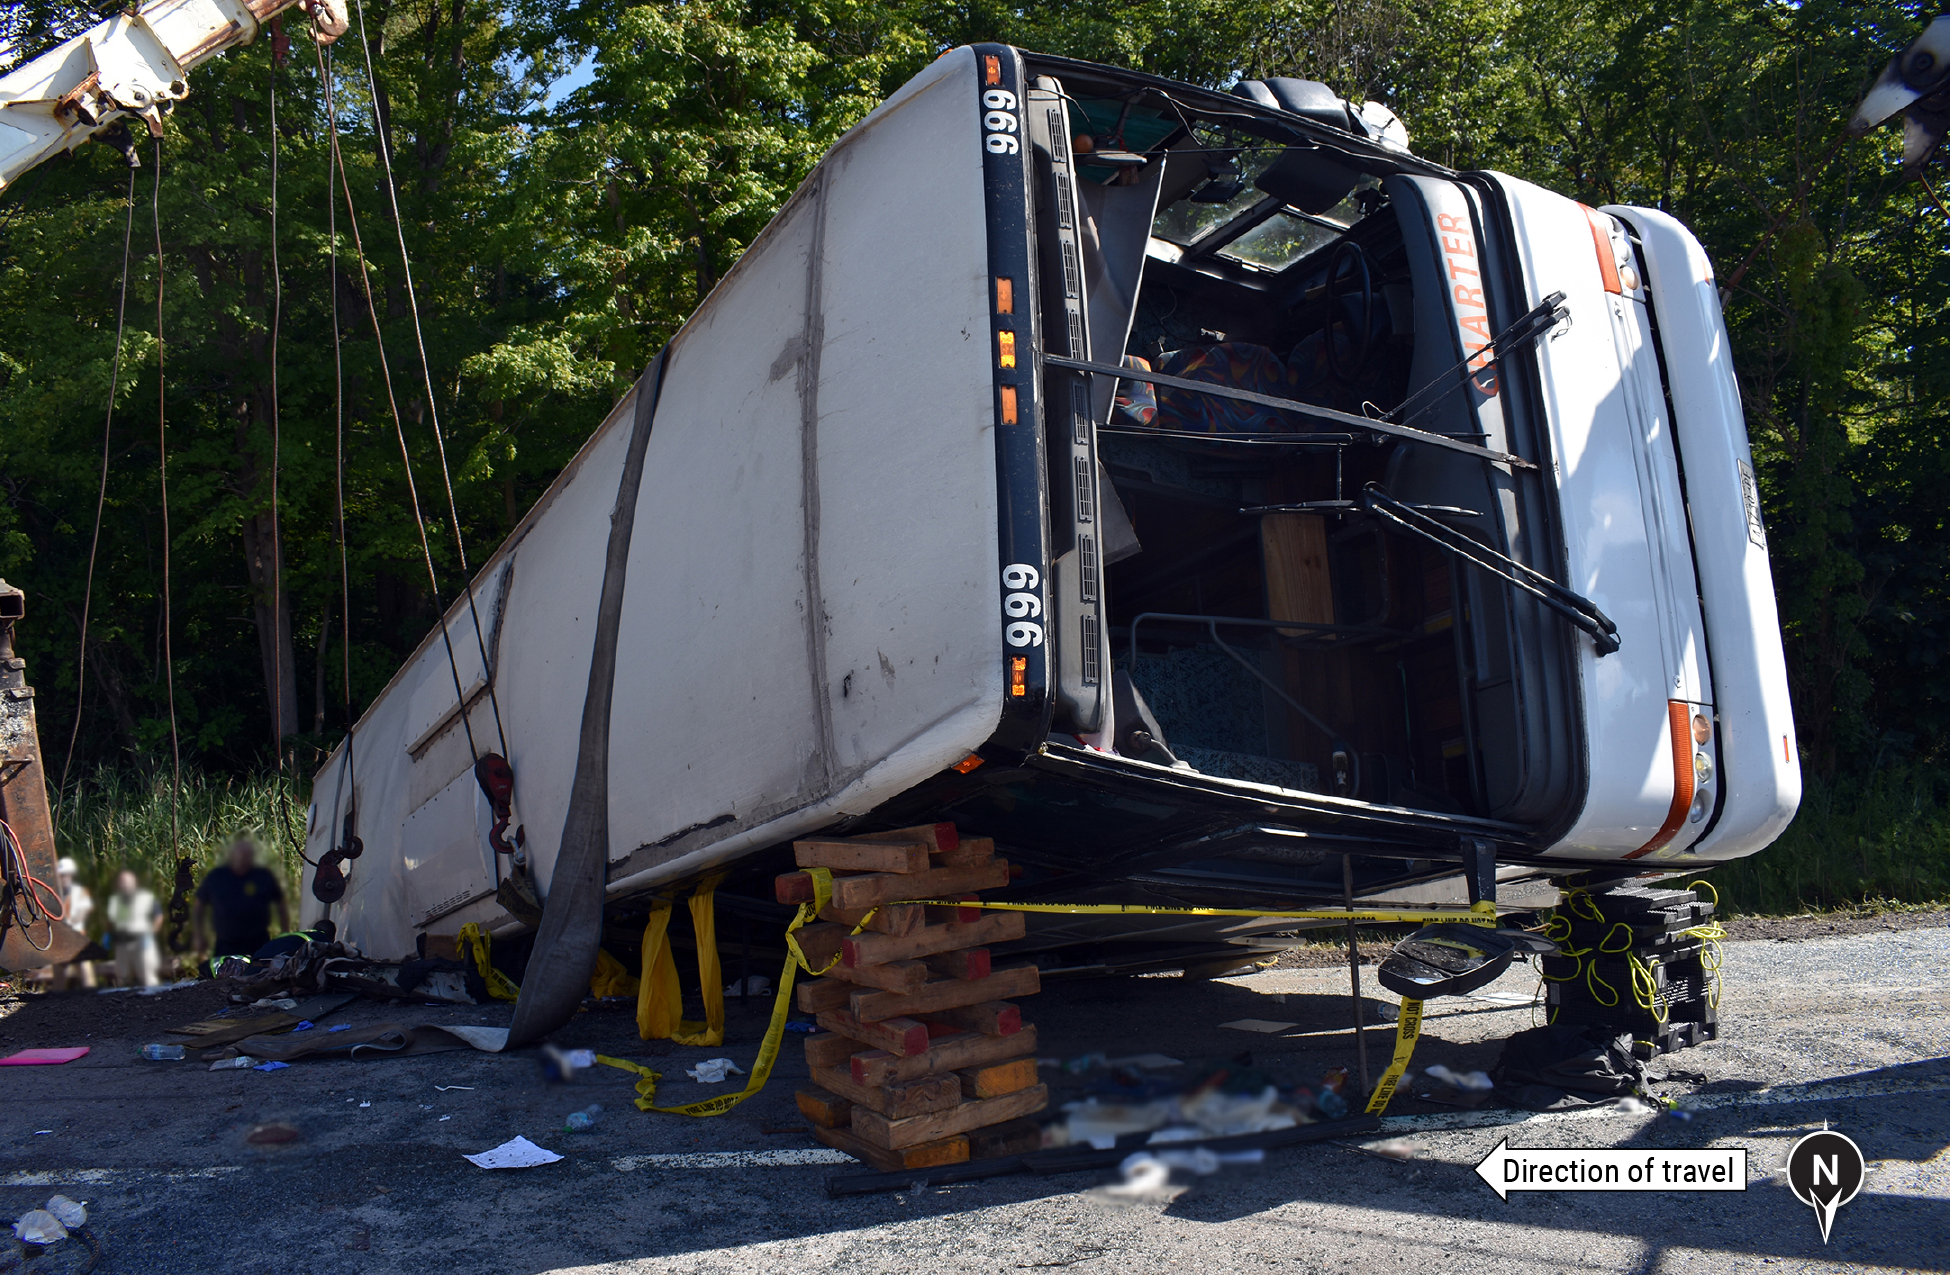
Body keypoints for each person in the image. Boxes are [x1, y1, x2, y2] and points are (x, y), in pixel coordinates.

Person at [193, 837, 289, 962]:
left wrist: (285, 934)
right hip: (227, 944)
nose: (244, 860)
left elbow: (281, 904)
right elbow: (199, 906)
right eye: (241, 856)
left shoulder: (263, 876)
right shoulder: (217, 877)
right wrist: (199, 936)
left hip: (258, 942)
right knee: (224, 977)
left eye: (247, 856)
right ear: (233, 856)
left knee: (259, 976)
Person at [106, 869, 163, 988]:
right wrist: (108, 935)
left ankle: (156, 1000)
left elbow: (158, 916)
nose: (124, 884)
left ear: (134, 882)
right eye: (122, 882)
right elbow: (111, 920)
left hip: (142, 942)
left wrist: (152, 933)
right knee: (122, 977)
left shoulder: (146, 897)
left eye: (127, 881)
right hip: (121, 943)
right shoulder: (115, 900)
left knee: (147, 976)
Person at [49, 858, 96, 991]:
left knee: (84, 968)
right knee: (59, 970)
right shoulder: (55, 894)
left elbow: (82, 915)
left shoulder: (79, 893)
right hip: (61, 940)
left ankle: (91, 995)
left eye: (65, 875)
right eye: (60, 875)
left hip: (76, 938)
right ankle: (57, 999)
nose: (62, 878)